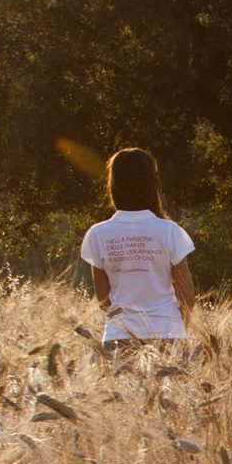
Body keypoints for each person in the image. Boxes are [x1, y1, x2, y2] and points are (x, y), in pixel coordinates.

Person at [79, 148, 197, 348]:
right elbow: (187, 296)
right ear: (151, 183)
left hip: (119, 337)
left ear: (113, 185)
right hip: (168, 333)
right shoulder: (169, 231)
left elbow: (103, 300)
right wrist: (176, 327)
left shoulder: (98, 234)